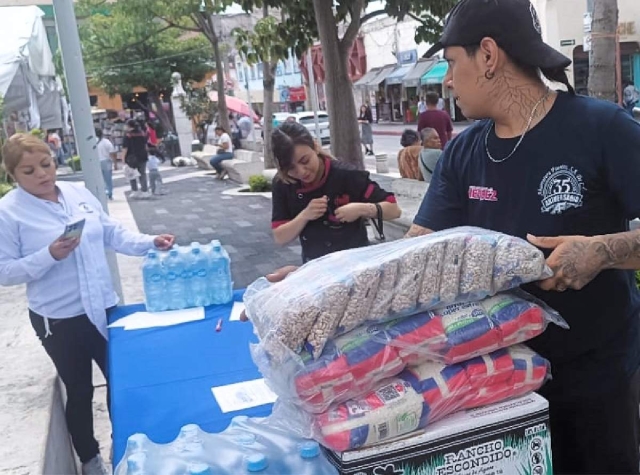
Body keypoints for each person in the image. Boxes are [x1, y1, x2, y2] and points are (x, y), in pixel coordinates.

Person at [403, 0, 640, 473]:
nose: (447, 80)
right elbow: (414, 255)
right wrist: (323, 280)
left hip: (596, 383)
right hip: (495, 390)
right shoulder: (463, 153)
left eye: (451, 62)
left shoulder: (602, 128)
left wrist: (602, 251)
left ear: (488, 55)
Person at [0, 133, 175, 475]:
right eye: (29, 170)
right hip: (60, 319)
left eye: (46, 164)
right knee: (79, 390)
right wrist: (48, 255)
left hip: (103, 306)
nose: (42, 174)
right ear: (13, 176)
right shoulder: (9, 213)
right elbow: (4, 271)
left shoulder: (77, 193)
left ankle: (125, 446)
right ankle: (90, 459)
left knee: (121, 381)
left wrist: (149, 242)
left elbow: (110, 232)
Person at [270, 122, 401, 262]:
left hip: (356, 265)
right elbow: (280, 236)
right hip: (315, 266)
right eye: (291, 168)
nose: (301, 172)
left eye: (305, 161)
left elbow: (394, 209)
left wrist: (362, 209)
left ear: (315, 146)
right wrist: (304, 215)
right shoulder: (283, 183)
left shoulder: (347, 175)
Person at [122, 120, 150, 199]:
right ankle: (145, 191)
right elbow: (145, 145)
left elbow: (125, 148)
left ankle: (135, 191)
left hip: (131, 158)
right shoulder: (141, 133)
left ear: (129, 126)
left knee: (132, 174)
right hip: (142, 156)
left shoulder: (127, 135)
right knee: (142, 174)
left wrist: (123, 158)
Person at [95, 129, 117, 201]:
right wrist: (115, 163)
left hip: (97, 162)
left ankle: (102, 193)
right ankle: (109, 193)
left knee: (100, 179)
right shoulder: (106, 142)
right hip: (106, 161)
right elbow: (112, 152)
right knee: (108, 179)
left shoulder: (93, 142)